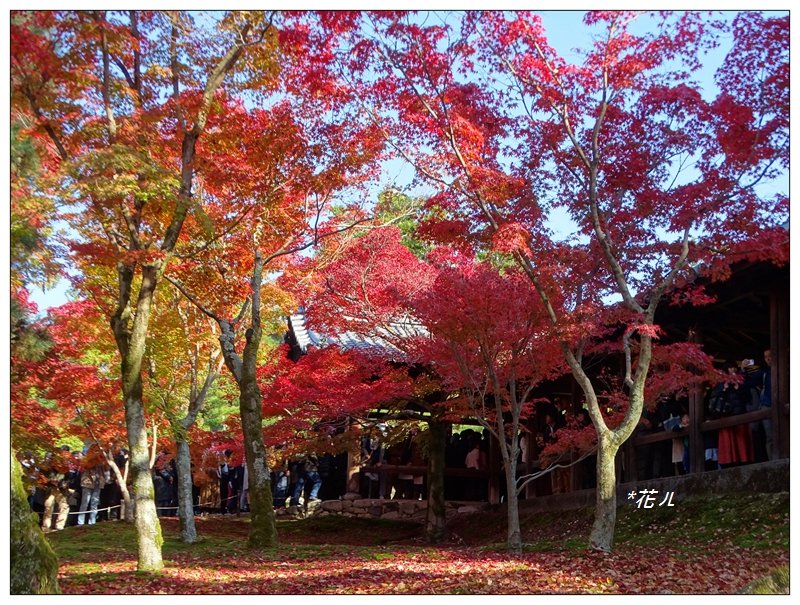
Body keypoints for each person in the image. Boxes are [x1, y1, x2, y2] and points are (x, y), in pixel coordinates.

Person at [40, 451, 70, 532]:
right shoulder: (44, 467)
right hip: (50, 489)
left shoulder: (62, 467)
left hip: (60, 489)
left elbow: (68, 478)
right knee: (48, 506)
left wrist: (64, 484)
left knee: (64, 506)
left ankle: (60, 526)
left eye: (52, 458)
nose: (50, 460)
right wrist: (50, 481)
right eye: (49, 458)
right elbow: (41, 479)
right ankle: (46, 527)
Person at [77, 447, 107, 526]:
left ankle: (92, 522)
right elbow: (86, 466)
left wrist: (104, 459)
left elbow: (107, 468)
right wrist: (95, 458)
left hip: (98, 482)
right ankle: (80, 522)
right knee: (85, 503)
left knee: (95, 503)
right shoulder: (86, 459)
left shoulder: (101, 459)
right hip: (88, 482)